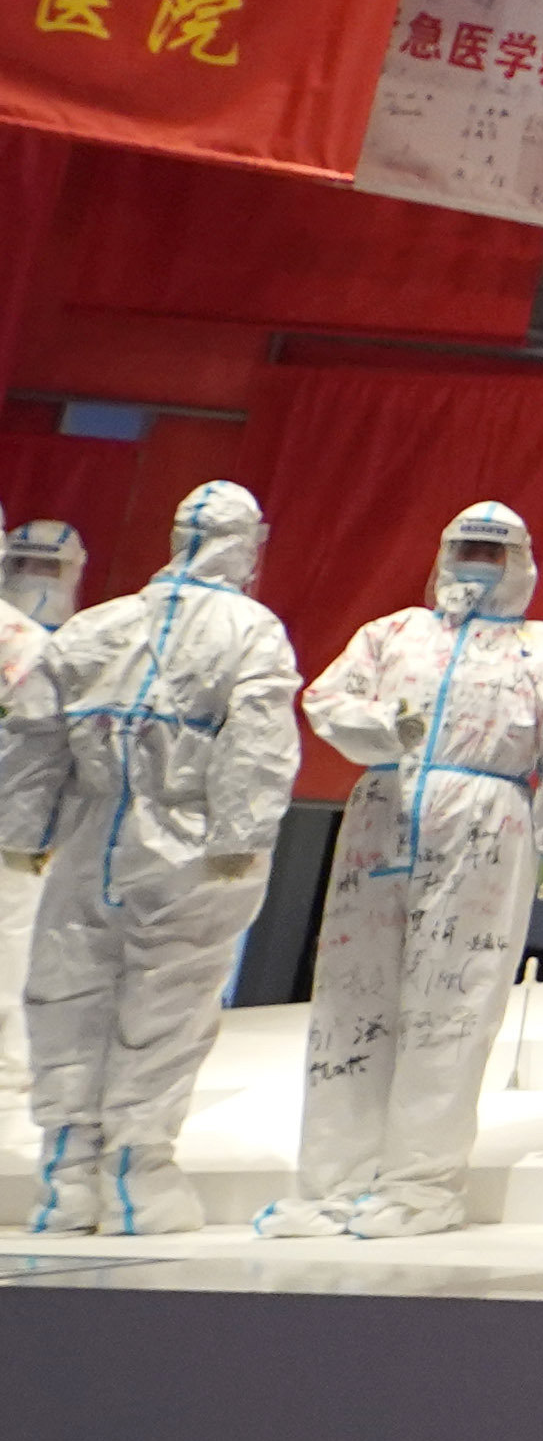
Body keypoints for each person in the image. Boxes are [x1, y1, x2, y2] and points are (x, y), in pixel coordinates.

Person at [259, 504, 543, 1241]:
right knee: (353, 1000)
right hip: (384, 812)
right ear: (443, 551)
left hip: (486, 821)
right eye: (465, 546)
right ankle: (332, 1184)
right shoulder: (392, 635)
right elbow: (324, 698)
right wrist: (383, 729)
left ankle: (421, 1186)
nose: (476, 562)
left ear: (518, 562)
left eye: (492, 550)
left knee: (452, 1004)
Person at [5, 482, 300, 1237]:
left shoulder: (101, 625)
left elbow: (34, 737)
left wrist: (25, 831)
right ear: (249, 542)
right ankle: (136, 1178)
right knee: (164, 1007)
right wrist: (240, 837)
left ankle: (66, 1180)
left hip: (89, 836)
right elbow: (257, 742)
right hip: (188, 840)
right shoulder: (249, 629)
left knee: (68, 1000)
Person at [0, 517, 68, 1111]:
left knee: (11, 941)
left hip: (8, 825)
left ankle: (8, 1065)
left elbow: (44, 746)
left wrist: (37, 824)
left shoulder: (22, 642)